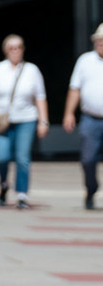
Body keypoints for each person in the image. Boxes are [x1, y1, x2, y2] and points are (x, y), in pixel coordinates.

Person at [0, 33, 49, 209]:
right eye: (11, 48)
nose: (15, 51)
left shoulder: (32, 70)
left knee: (22, 157)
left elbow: (40, 97)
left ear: (23, 49)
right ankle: (3, 183)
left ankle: (22, 194)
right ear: (5, 50)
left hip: (26, 119)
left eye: (18, 47)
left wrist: (43, 121)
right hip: (1, 120)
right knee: (1, 156)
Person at [62, 22, 103, 210]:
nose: (101, 43)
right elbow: (75, 89)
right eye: (98, 40)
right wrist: (69, 113)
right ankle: (91, 188)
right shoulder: (85, 61)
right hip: (90, 118)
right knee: (88, 159)